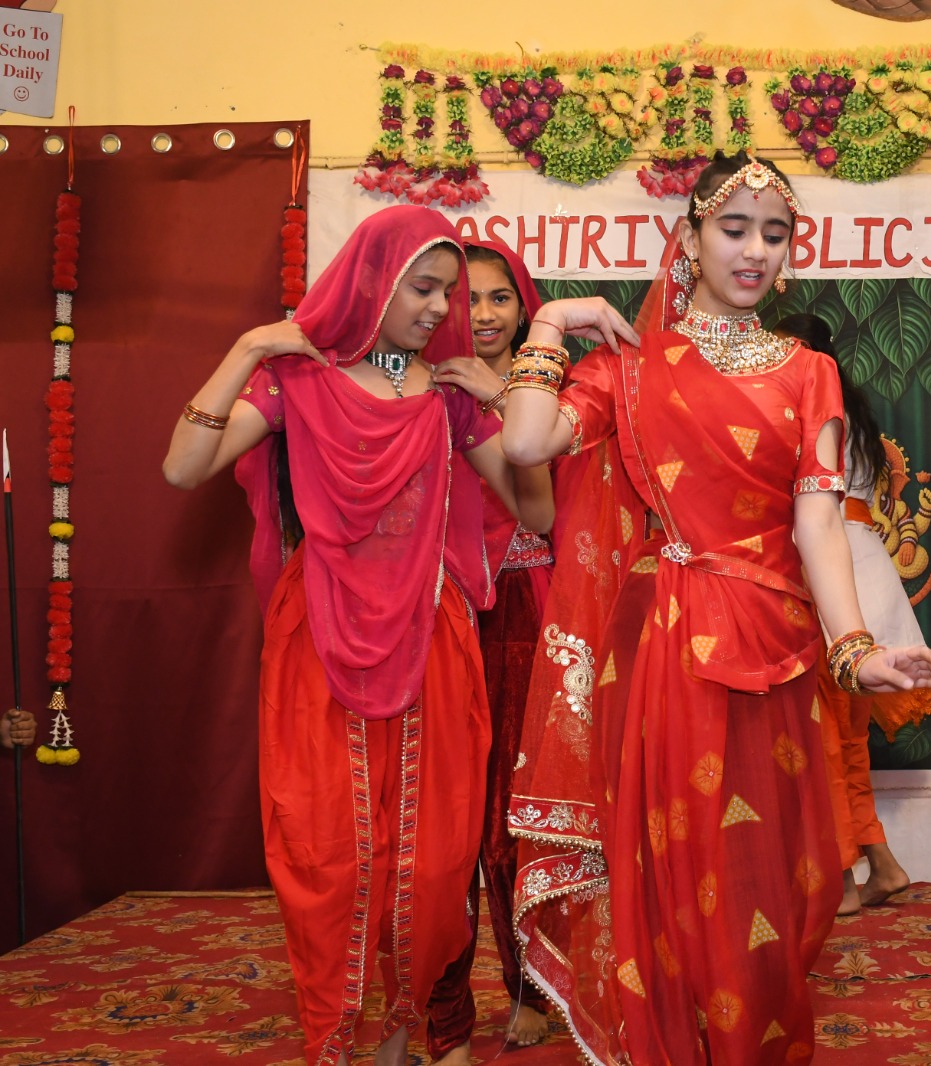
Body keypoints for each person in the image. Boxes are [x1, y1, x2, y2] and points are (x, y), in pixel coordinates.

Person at [495, 150, 931, 1066]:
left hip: (779, 647)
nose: (755, 252)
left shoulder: (808, 371)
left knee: (785, 883)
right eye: (733, 229)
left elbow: (818, 521)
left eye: (774, 234)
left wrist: (856, 649)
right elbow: (527, 439)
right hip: (664, 649)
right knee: (674, 867)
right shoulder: (629, 365)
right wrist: (549, 320)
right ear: (691, 238)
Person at [161, 204, 630, 1066]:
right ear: (373, 282)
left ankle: (402, 1032)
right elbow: (183, 467)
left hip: (430, 633)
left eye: (448, 291)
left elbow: (538, 513)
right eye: (424, 288)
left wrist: (501, 400)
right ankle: (333, 1038)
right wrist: (251, 348)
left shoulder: (447, 395)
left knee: (435, 858)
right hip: (321, 632)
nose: (440, 308)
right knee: (327, 855)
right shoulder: (298, 379)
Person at [423, 239, 555, 1063]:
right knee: (441, 820)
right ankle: (442, 1011)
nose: (483, 315)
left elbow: (553, 509)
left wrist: (504, 399)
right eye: (463, 298)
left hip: (522, 611)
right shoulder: (417, 386)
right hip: (435, 615)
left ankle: (531, 985)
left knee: (517, 811)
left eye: (500, 297)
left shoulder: (548, 392)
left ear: (525, 306)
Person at [775, 312, 931, 918]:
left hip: (825, 581)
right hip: (868, 580)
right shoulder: (852, 416)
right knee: (847, 743)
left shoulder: (805, 415)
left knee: (825, 742)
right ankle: (882, 865)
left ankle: (842, 880)